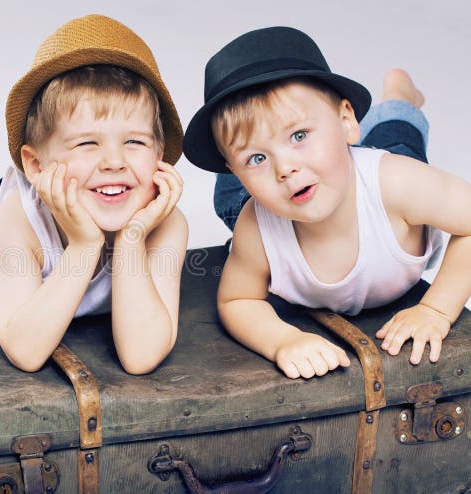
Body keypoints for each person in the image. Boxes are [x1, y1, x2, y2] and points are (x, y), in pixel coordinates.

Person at [183, 27, 471, 379]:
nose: (285, 168)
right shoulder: (255, 226)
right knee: (234, 202)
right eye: (257, 158)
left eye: (299, 135)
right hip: (274, 199)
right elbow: (238, 300)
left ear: (347, 120)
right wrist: (282, 340)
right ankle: (253, 154)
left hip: (376, 186)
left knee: (396, 140)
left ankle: (400, 98)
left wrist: (437, 310)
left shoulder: (399, 184)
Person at [0, 15, 188, 375]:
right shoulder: (17, 220)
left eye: (134, 141)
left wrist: (132, 238)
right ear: (36, 165)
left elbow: (141, 356)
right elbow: (25, 351)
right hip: (32, 210)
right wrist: (85, 245)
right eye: (87, 143)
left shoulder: (166, 223)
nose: (114, 162)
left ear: (159, 156)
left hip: (92, 198)